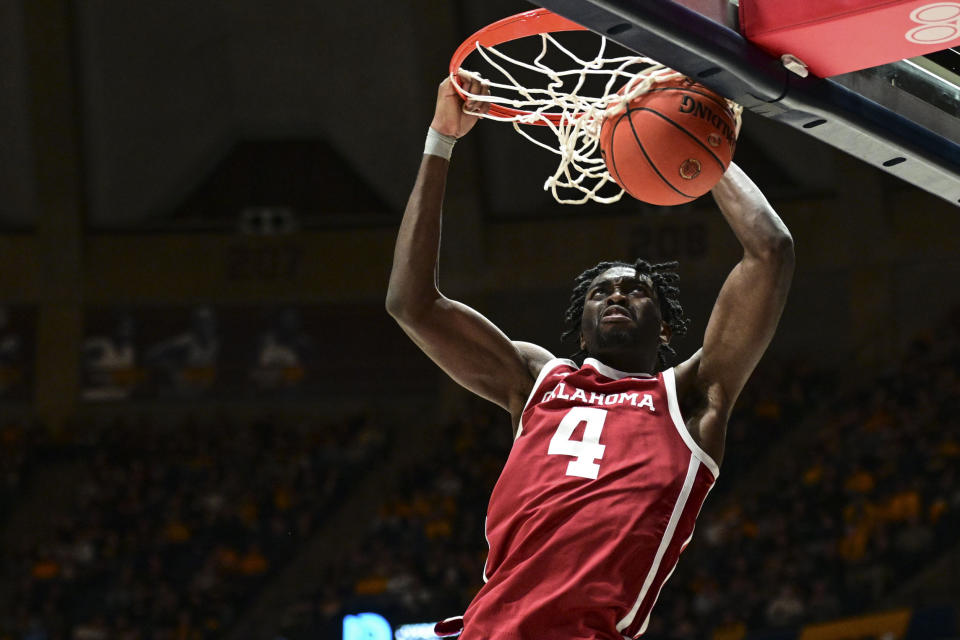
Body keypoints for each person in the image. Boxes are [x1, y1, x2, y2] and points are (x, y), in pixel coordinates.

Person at [386, 71, 795, 640]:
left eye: (636, 290)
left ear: (667, 331)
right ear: (580, 330)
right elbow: (412, 304)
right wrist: (440, 140)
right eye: (601, 290)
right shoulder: (535, 379)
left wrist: (695, 146)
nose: (617, 294)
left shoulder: (692, 398)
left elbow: (770, 252)